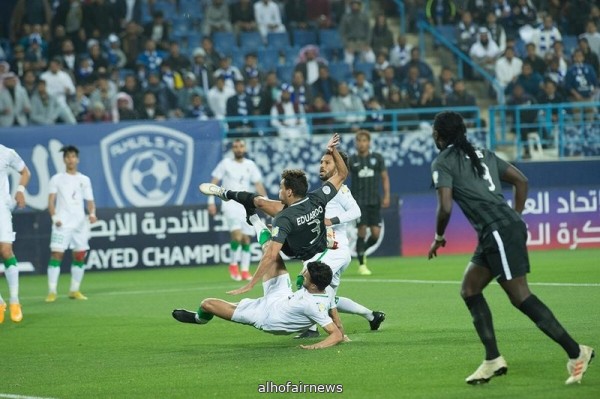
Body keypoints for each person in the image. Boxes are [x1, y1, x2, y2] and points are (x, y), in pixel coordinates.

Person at [427, 111, 595, 385]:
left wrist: (438, 235)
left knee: (520, 296)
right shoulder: (483, 153)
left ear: (438, 134)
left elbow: (445, 206)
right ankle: (492, 360)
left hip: (498, 230)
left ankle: (577, 352)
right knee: (470, 289)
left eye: (434, 131)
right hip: (494, 232)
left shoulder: (443, 162)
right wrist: (515, 215)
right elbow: (521, 180)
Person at [199, 133, 348, 298]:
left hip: (312, 254)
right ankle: (225, 193)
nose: (278, 191)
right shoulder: (317, 197)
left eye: (281, 187)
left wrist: (250, 284)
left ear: (289, 191)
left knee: (312, 292)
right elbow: (342, 173)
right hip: (306, 239)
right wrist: (332, 150)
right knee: (260, 202)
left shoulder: (284, 218)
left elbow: (270, 255)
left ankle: (254, 220)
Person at [297, 150, 385, 338]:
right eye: (321, 162)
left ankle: (317, 330)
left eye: (328, 162)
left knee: (307, 279)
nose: (322, 165)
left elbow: (356, 211)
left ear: (338, 167)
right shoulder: (326, 190)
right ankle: (371, 316)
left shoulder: (340, 190)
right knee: (329, 297)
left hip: (335, 249)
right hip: (329, 250)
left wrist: (331, 220)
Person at [172, 260, 345, 349]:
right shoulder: (326, 289)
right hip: (281, 298)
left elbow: (335, 335)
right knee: (272, 253)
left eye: (306, 275)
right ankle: (254, 219)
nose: (304, 273)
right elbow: (335, 318)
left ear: (314, 285)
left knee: (207, 304)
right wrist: (341, 329)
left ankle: (198, 319)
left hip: (266, 316)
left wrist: (316, 346)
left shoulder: (312, 305)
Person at [207, 139, 267, 282]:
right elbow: (214, 183)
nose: (238, 149)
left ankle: (245, 270)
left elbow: (258, 184)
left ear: (244, 148)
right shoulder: (225, 164)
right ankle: (233, 265)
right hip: (230, 204)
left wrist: (266, 203)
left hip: (245, 205)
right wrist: (210, 201)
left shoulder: (250, 165)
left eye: (241, 146)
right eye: (235, 147)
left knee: (246, 239)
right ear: (233, 149)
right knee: (237, 236)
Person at [46, 145, 97, 302]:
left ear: (77, 159)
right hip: (62, 223)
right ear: (64, 160)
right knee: (57, 255)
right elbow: (50, 202)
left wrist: (92, 214)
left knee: (80, 255)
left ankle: (74, 290)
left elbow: (90, 201)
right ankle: (52, 291)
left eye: (73, 156)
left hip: (80, 224)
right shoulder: (57, 179)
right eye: (68, 156)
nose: (71, 159)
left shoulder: (84, 180)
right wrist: (55, 218)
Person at [348, 130, 390, 276]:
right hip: (358, 202)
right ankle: (361, 265)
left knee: (375, 234)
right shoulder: (351, 160)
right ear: (355, 143)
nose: (362, 144)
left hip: (374, 201)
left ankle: (362, 251)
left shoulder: (377, 158)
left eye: (364, 141)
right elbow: (342, 177)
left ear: (369, 142)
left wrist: (386, 196)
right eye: (359, 141)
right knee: (362, 231)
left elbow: (384, 177)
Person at [0, 145, 31, 323]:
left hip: (1, 208)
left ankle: (14, 301)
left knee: (5, 251)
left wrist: (20, 192)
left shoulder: (6, 153)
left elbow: (25, 172)